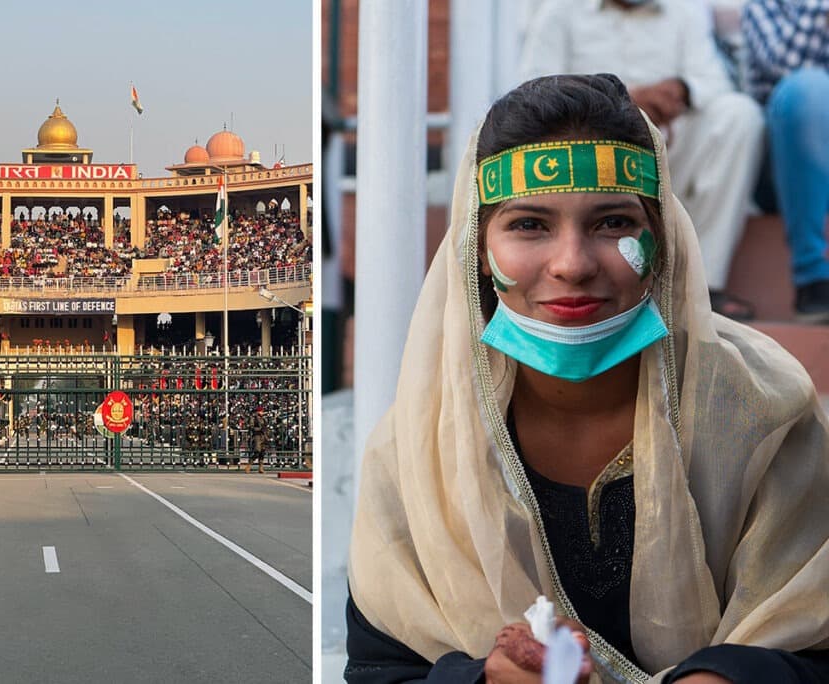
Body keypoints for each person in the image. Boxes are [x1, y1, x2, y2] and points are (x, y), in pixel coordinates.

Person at [346, 74, 829, 683]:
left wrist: (728, 677)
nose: (572, 263)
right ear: (477, 247)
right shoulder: (419, 450)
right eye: (528, 225)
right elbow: (380, 668)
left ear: (664, 237)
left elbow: (816, 645)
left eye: (612, 223)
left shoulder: (764, 411)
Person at [519, 0, 764, 321]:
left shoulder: (685, 10)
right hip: (591, 155)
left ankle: (703, 285)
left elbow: (713, 82)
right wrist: (621, 99)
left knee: (739, 115)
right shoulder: (559, 11)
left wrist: (681, 90)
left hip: (669, 141)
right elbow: (534, 92)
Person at [741, 0, 829, 322]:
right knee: (810, 90)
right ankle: (812, 278)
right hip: (781, 170)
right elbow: (786, 63)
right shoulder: (764, 5)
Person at [245, 406, 267, 474]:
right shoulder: (253, 418)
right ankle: (249, 466)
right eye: (261, 411)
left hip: (263, 436)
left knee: (262, 452)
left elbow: (266, 427)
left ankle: (261, 467)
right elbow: (251, 427)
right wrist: (259, 429)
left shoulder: (264, 419)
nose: (262, 412)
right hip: (257, 436)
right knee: (257, 451)